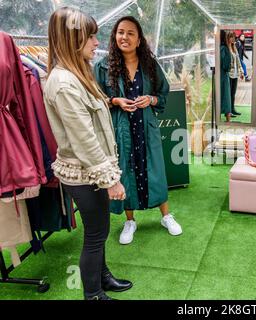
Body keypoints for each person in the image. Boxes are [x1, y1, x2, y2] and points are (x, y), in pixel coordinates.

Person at [43, 7, 132, 300]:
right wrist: (111, 180)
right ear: (72, 39)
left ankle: (102, 278)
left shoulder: (77, 74)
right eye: (90, 36)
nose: (97, 42)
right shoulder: (64, 83)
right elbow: (85, 141)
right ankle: (93, 294)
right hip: (86, 174)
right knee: (95, 236)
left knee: (99, 232)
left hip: (90, 172)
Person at [94, 16, 182, 245]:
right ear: (115, 36)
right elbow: (95, 98)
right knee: (126, 170)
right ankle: (130, 221)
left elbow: (163, 92)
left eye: (131, 33)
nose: (125, 37)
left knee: (155, 170)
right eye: (120, 32)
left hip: (146, 127)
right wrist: (115, 101)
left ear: (139, 39)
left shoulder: (150, 66)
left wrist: (151, 99)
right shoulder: (103, 67)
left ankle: (166, 216)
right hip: (122, 128)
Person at [227, 31, 244, 117]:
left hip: (235, 74)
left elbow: (238, 60)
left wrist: (241, 71)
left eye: (234, 37)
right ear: (228, 38)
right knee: (229, 93)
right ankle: (229, 111)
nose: (233, 39)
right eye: (231, 37)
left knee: (233, 93)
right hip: (229, 74)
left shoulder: (234, 47)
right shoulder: (227, 48)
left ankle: (232, 109)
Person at [219, 30, 232, 122]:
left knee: (221, 95)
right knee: (226, 97)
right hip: (223, 75)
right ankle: (228, 120)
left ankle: (223, 118)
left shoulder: (219, 48)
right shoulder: (224, 48)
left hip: (219, 75)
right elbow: (226, 65)